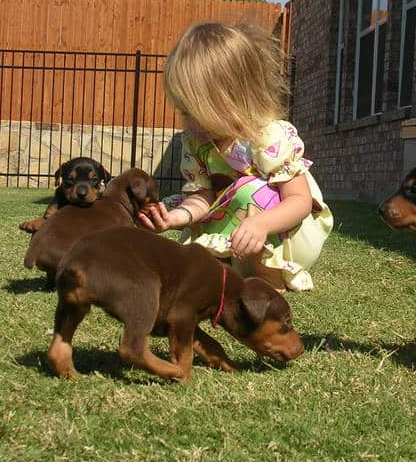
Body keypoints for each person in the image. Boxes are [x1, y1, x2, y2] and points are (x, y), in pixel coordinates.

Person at [138, 22, 333, 292]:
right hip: (236, 234)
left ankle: (268, 282)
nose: (190, 122)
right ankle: (226, 272)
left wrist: (261, 223)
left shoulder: (266, 136)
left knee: (250, 190)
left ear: (233, 98)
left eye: (196, 111)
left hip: (289, 237)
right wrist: (176, 218)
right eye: (183, 111)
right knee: (193, 264)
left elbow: (299, 201)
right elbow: (204, 196)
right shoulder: (197, 141)